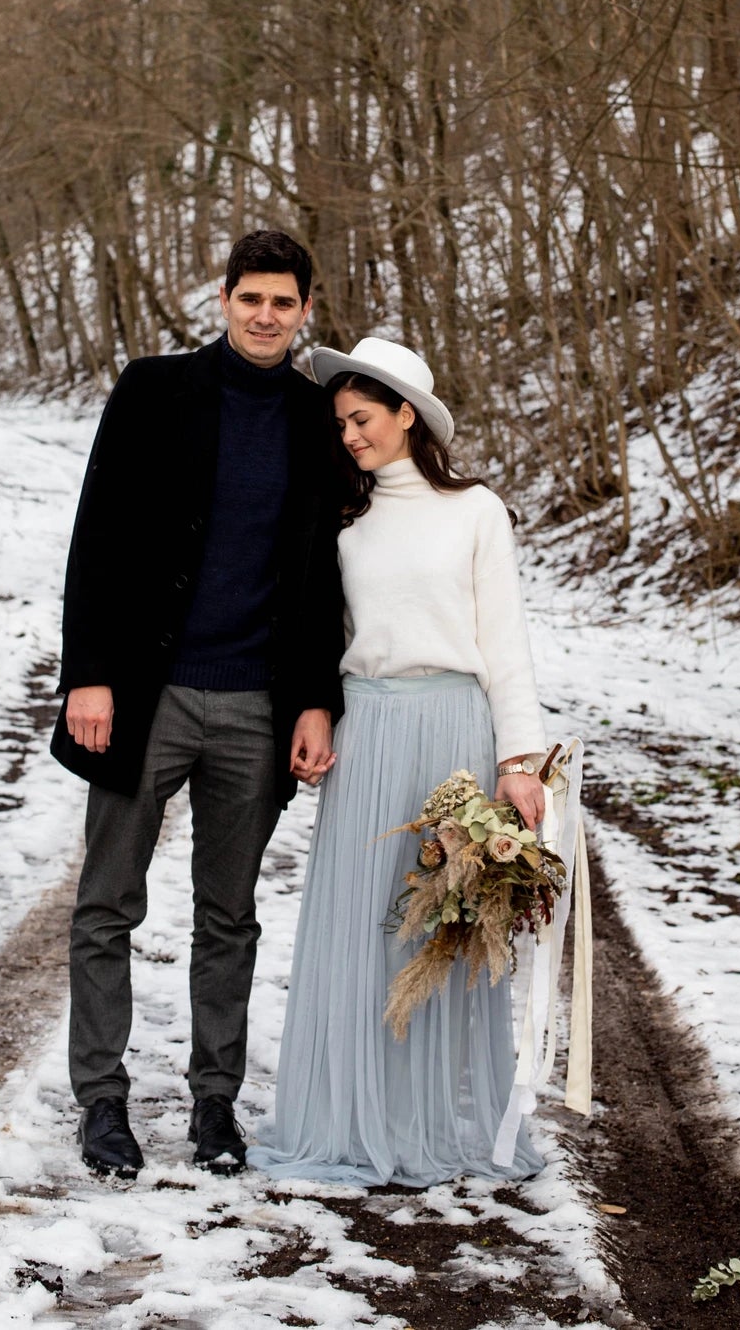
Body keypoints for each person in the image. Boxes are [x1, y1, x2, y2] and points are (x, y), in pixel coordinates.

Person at [51, 229, 344, 1179]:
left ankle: (214, 1104)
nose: (266, 316)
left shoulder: (315, 419)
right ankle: (101, 1101)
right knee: (107, 903)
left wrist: (314, 702)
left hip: (258, 703)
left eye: (284, 303)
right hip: (149, 693)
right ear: (223, 300)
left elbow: (321, 584)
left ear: (307, 312)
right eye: (251, 298)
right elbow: (99, 535)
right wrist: (87, 674)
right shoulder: (153, 390)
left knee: (231, 914)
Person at [249, 335, 549, 1187]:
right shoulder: (345, 520)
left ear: (406, 414)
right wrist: (315, 712)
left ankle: (433, 1125)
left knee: (445, 934)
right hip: (370, 735)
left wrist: (519, 761)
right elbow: (322, 638)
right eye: (340, 422)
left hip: (455, 735)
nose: (348, 435)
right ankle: (352, 1118)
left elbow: (506, 645)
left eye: (362, 419)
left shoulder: (476, 511)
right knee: (364, 928)